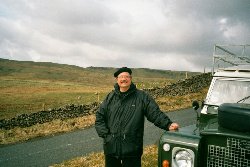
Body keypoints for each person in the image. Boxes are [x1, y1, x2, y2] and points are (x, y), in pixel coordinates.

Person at [95, 67, 179, 167]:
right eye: (121, 77)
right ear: (117, 80)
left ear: (130, 79)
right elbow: (99, 117)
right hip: (111, 149)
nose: (123, 79)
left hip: (132, 148)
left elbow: (154, 113)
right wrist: (106, 136)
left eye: (126, 76)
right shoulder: (110, 97)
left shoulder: (141, 97)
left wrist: (168, 124)